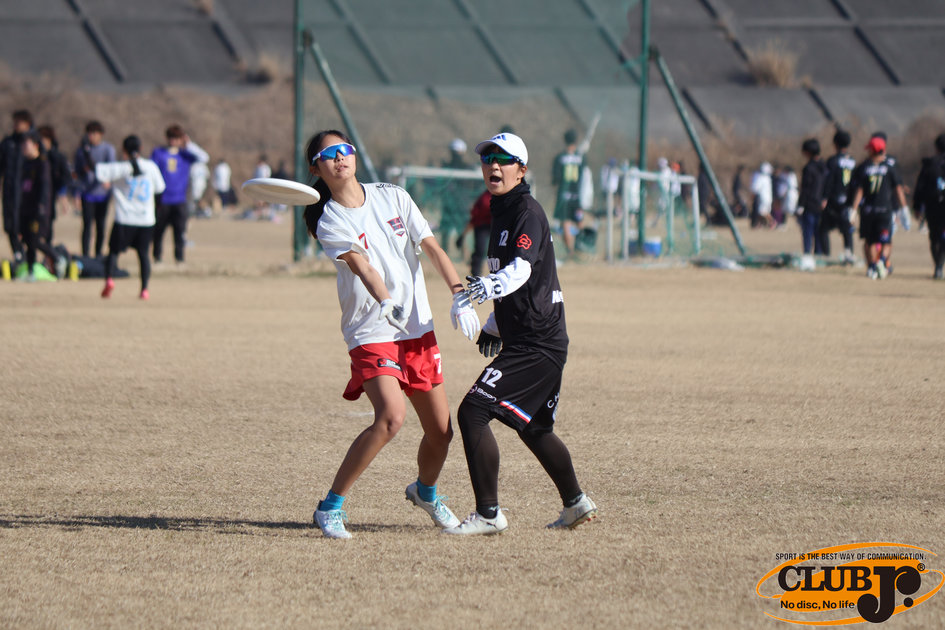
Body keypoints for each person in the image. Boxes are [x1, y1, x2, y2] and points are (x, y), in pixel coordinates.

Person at [302, 129, 480, 540]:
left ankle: (425, 492)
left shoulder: (393, 195)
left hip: (417, 327)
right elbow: (362, 266)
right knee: (390, 418)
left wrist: (460, 295)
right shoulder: (329, 219)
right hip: (372, 329)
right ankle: (330, 507)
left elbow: (431, 247)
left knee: (441, 432)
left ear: (354, 155)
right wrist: (385, 301)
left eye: (344, 149)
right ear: (316, 169)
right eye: (328, 155)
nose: (339, 157)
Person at [443, 132, 597, 536]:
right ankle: (576, 504)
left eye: (503, 159)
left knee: (473, 410)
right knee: (534, 427)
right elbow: (519, 282)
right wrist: (495, 324)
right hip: (532, 337)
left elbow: (522, 270)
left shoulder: (526, 211)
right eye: (487, 158)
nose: (493, 165)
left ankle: (489, 514)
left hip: (538, 342)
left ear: (522, 169)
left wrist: (485, 288)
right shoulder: (502, 210)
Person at [96, 135, 166, 300]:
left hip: (124, 219)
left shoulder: (120, 168)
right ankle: (144, 289)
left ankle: (109, 279)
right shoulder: (151, 167)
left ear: (124, 150)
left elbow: (100, 173)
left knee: (113, 252)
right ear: (140, 149)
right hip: (146, 220)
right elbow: (160, 189)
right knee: (143, 255)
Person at [849, 135, 907, 279]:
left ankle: (873, 266)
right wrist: (904, 208)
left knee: (870, 241)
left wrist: (854, 209)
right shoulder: (890, 168)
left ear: (872, 150)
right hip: (885, 211)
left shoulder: (864, 167)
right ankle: (882, 261)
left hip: (868, 211)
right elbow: (898, 189)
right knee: (886, 241)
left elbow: (860, 190)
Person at [150, 124, 208, 264]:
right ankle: (157, 258)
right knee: (159, 231)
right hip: (162, 199)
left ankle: (180, 259)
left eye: (177, 138)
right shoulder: (158, 153)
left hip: (180, 199)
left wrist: (189, 145)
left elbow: (204, 158)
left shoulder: (185, 155)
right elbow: (151, 171)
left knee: (179, 232)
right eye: (171, 138)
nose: (173, 141)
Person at [17, 130, 61, 280]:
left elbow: (45, 188)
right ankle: (30, 271)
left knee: (34, 240)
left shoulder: (42, 163)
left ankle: (56, 257)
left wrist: (42, 208)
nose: (24, 147)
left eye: (26, 144)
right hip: (25, 208)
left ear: (35, 145)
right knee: (27, 240)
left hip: (37, 210)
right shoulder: (24, 164)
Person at [73, 120, 116, 259]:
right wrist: (76, 193)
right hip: (87, 194)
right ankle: (85, 255)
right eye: (89, 133)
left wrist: (109, 182)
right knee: (86, 225)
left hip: (103, 194)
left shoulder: (108, 149)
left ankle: (98, 255)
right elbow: (77, 174)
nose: (92, 136)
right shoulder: (82, 151)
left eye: (95, 133)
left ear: (101, 134)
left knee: (101, 225)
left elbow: (112, 169)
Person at [820, 130, 857, 264]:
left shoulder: (833, 161)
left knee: (823, 228)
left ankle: (826, 255)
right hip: (848, 200)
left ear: (835, 144)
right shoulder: (852, 161)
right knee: (846, 229)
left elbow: (829, 180)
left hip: (834, 199)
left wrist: (824, 197)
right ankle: (849, 253)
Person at [1, 110, 33, 263]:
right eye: (15, 122)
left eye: (19, 122)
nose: (16, 125)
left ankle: (30, 257)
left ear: (27, 124)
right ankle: (19, 255)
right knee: (10, 225)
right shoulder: (8, 143)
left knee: (26, 225)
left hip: (27, 192)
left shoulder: (32, 142)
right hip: (9, 190)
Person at [912, 132, 945, 279]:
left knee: (934, 236)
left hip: (932, 205)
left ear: (936, 147)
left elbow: (920, 186)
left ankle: (938, 265)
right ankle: (940, 265)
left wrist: (917, 206)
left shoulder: (929, 164)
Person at [551, 129, 585, 257]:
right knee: (579, 221)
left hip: (564, 197)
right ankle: (580, 247)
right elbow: (583, 175)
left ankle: (570, 252)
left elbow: (556, 179)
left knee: (566, 222)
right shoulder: (581, 158)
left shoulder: (560, 158)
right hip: (577, 196)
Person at [439, 138, 474, 258]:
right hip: (452, 204)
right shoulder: (449, 167)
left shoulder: (465, 168)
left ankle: (462, 255)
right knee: (447, 231)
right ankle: (444, 255)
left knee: (461, 232)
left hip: (461, 205)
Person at [36, 125, 72, 244]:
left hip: (50, 196)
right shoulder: (34, 157)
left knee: (48, 225)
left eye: (42, 139)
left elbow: (65, 177)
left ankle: (48, 249)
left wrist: (62, 196)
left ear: (49, 140)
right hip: (35, 195)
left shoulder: (57, 157)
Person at [796, 139, 826, 271]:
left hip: (809, 204)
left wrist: (800, 205)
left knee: (808, 231)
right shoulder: (824, 166)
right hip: (822, 205)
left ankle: (807, 255)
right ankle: (819, 256)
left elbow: (806, 188)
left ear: (807, 152)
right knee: (819, 232)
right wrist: (825, 198)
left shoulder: (808, 168)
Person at [456, 189, 491, 276]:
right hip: (482, 226)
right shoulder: (485, 198)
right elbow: (475, 219)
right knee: (480, 250)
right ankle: (476, 276)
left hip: (498, 225)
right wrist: (463, 236)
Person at [750, 162, 774, 229]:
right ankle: (761, 224)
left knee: (762, 212)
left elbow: (755, 188)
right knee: (764, 212)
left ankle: (772, 222)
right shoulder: (768, 178)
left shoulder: (760, 177)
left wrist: (752, 195)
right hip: (768, 198)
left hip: (763, 198)